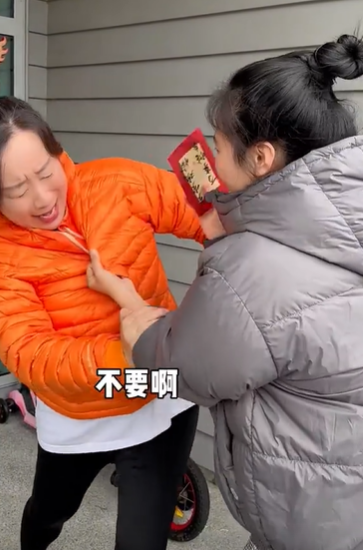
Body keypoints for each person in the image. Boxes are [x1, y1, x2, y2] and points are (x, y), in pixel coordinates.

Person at [0, 83, 223, 550]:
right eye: (17, 189)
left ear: (56, 149)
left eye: (45, 171)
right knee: (49, 513)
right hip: (83, 412)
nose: (42, 198)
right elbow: (33, 355)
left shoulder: (115, 182)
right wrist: (129, 351)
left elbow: (202, 211)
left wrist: (223, 223)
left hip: (161, 392)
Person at [87, 34, 363, 550]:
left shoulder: (249, 268)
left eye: (217, 146)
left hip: (314, 514)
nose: (210, 160)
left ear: (260, 156)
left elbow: (185, 369)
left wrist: (134, 318)